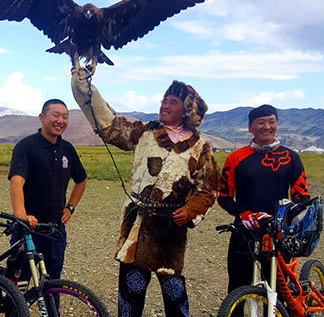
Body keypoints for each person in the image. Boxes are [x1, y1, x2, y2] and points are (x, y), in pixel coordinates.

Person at [71, 68, 220, 317]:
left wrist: (190, 211)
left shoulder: (200, 147)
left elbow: (209, 188)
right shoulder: (145, 133)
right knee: (130, 296)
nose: (165, 105)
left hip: (172, 229)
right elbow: (109, 126)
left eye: (172, 102)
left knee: (175, 296)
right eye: (163, 100)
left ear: (187, 111)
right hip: (138, 227)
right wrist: (84, 89)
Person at [217, 104, 310, 293]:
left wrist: (286, 216)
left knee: (279, 290)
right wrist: (244, 215)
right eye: (261, 122)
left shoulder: (291, 157)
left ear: (277, 124)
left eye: (271, 121)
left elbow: (302, 195)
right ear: (250, 127)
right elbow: (224, 197)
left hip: (279, 232)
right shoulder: (235, 158)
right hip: (244, 229)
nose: (266, 127)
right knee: (237, 287)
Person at [7, 98, 87, 283]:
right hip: (28, 230)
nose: (61, 120)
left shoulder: (68, 149)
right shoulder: (26, 147)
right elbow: (16, 182)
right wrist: (22, 216)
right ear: (42, 117)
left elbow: (81, 181)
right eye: (56, 115)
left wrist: (71, 207)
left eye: (65, 117)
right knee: (19, 284)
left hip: (55, 230)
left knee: (52, 284)